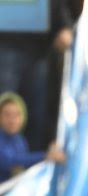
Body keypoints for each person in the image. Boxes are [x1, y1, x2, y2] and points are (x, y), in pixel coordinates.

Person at [0, 1, 75, 150]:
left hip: (39, 53)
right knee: (6, 113)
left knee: (36, 117)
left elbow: (56, 7)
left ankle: (31, 166)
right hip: (5, 48)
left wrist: (65, 27)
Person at [0, 91, 65, 183]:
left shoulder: (19, 139)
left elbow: (24, 163)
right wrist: (46, 156)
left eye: (16, 115)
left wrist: (51, 152)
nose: (12, 120)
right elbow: (12, 160)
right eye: (7, 115)